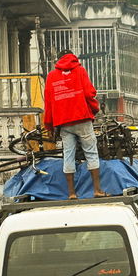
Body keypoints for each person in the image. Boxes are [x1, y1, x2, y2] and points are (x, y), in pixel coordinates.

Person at [43, 50, 108, 200]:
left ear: (58, 60)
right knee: (91, 153)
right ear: (73, 58)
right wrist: (94, 109)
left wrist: (49, 125)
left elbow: (49, 102)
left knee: (68, 155)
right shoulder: (80, 70)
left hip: (64, 122)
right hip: (82, 118)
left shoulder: (52, 76)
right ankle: (97, 190)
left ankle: (72, 193)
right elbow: (88, 93)